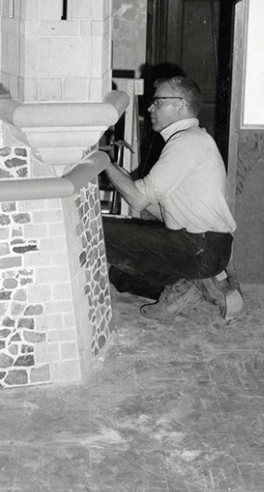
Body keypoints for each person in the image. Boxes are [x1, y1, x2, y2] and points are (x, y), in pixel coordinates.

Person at [102, 76, 240, 321]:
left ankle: (195, 285)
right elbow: (156, 208)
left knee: (97, 233)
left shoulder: (187, 141)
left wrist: (101, 162)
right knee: (120, 276)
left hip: (199, 248)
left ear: (180, 104)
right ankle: (197, 287)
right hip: (205, 248)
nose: (149, 108)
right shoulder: (192, 139)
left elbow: (137, 199)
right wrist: (120, 175)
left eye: (157, 102)